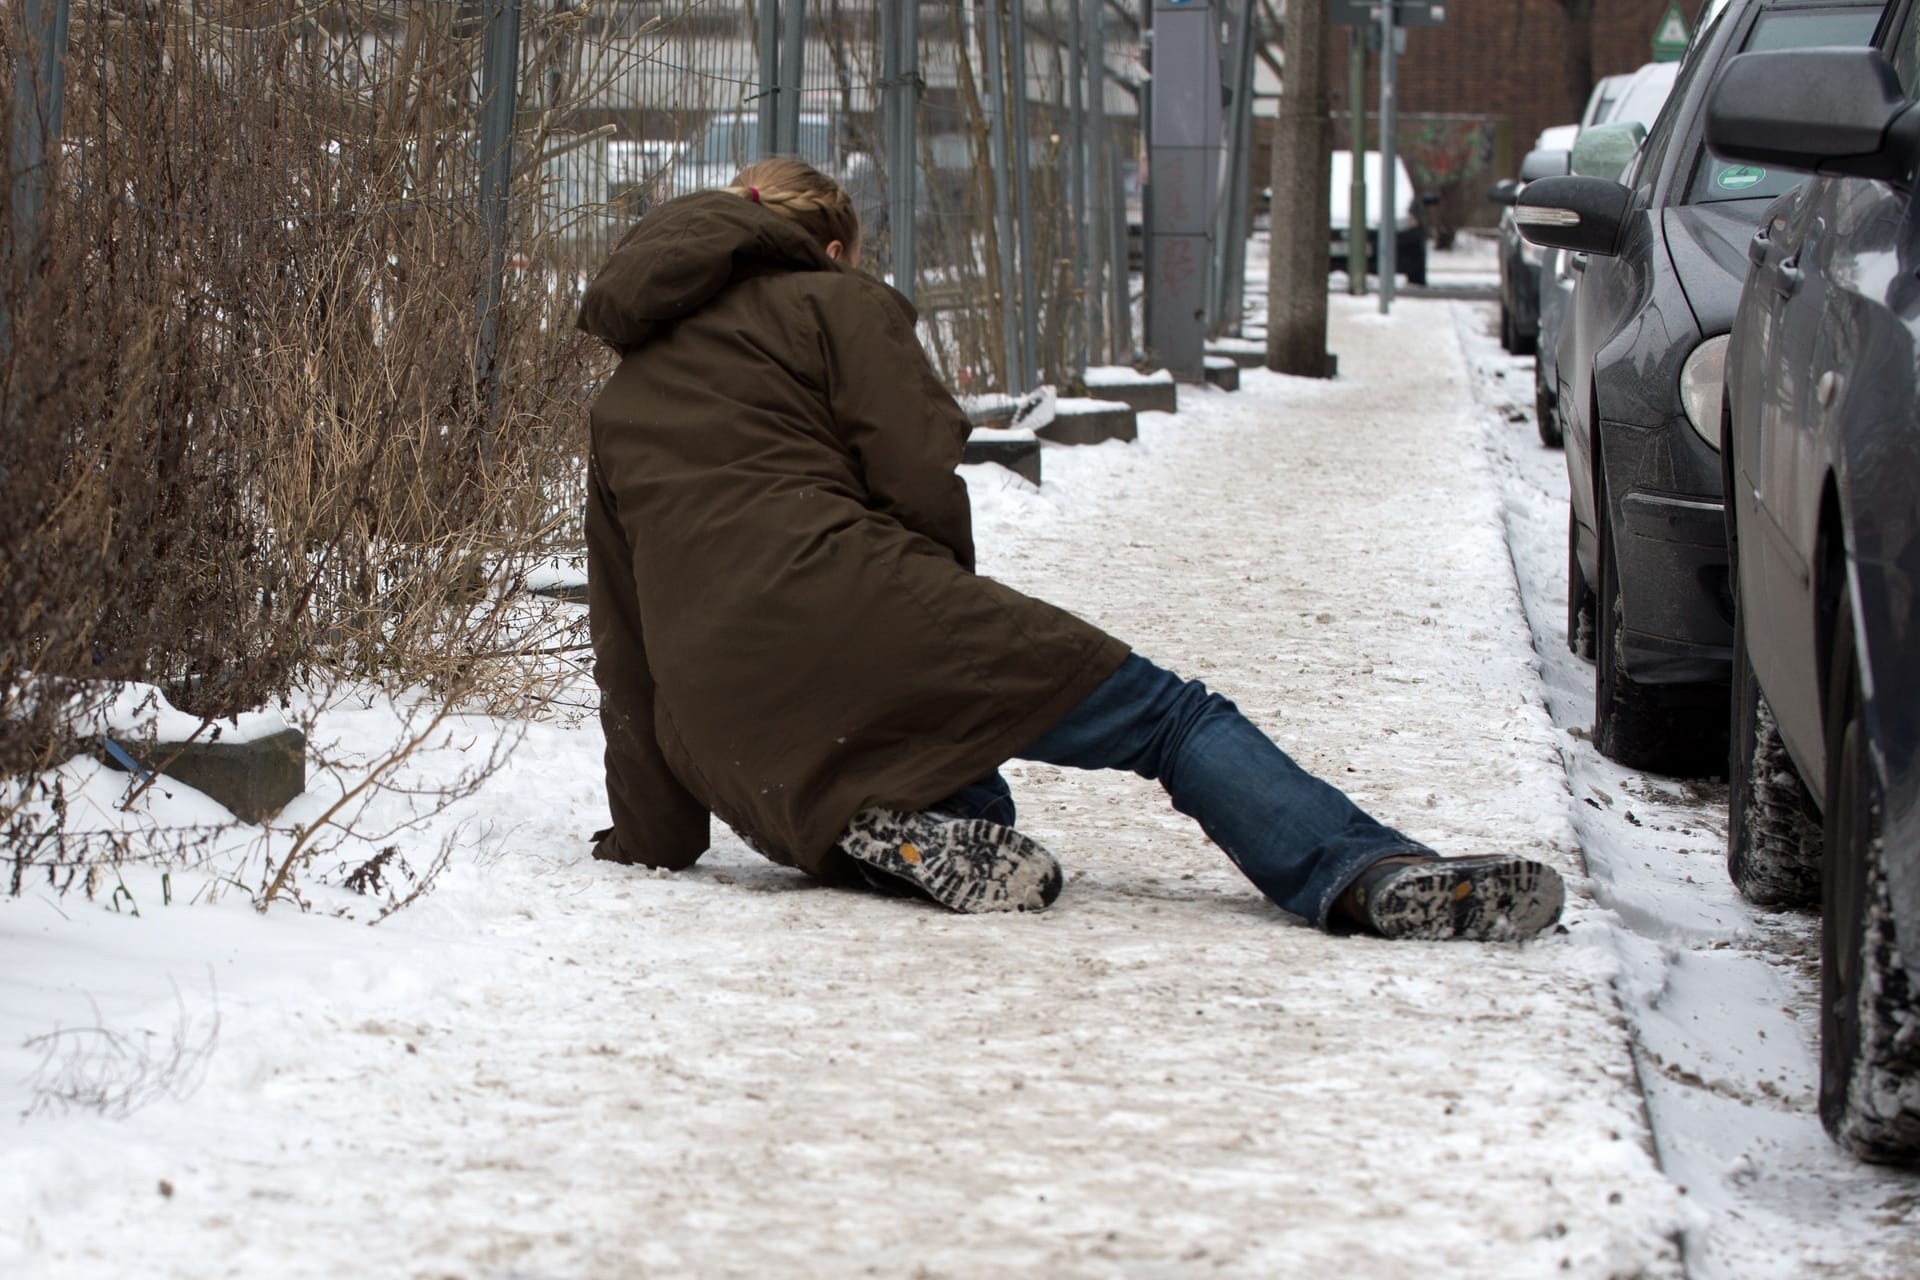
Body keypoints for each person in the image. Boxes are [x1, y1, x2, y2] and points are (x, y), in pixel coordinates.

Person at [578, 158, 1565, 942]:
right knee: (1171, 718)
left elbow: (622, 644)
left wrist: (655, 837)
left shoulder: (620, 402)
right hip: (857, 601)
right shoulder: (836, 302)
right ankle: (1363, 871)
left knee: (969, 793)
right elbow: (919, 469)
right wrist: (932, 623)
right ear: (827, 245)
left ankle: (883, 835)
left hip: (726, 729)